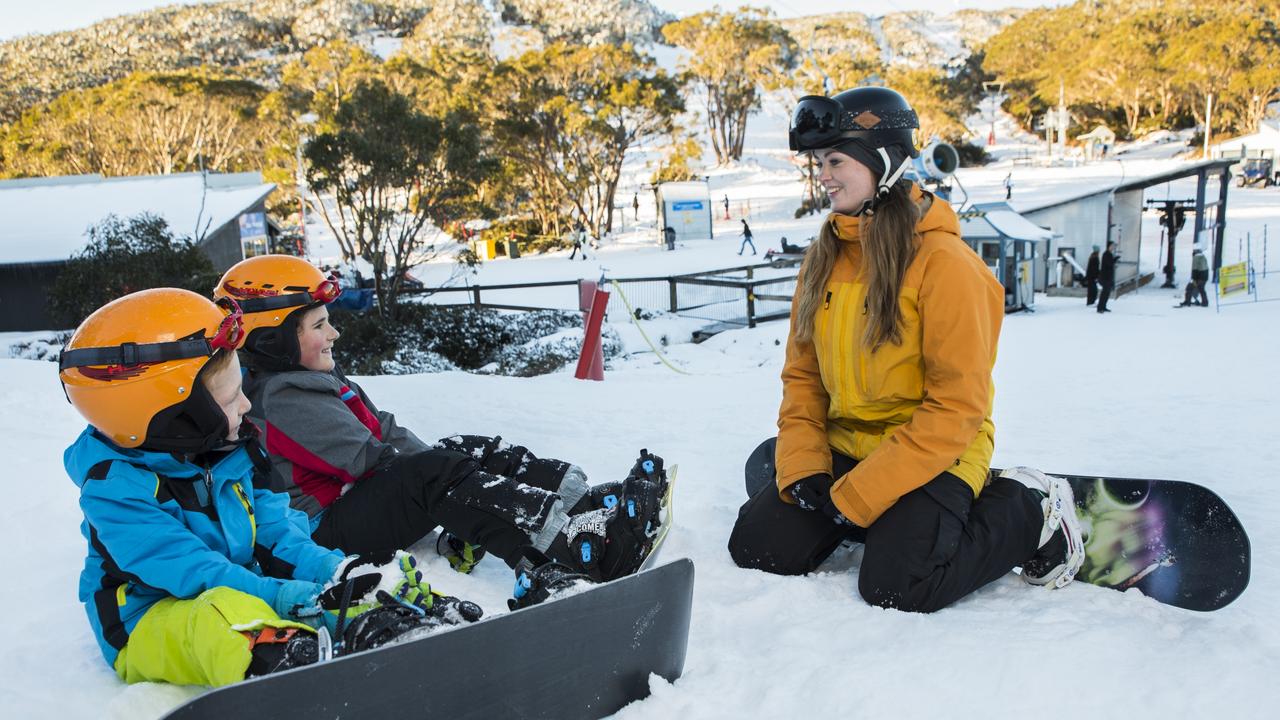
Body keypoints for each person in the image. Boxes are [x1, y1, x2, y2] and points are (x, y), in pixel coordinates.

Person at [727, 87, 1085, 613]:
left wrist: (856, 498)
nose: (823, 175)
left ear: (883, 163)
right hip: (850, 442)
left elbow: (956, 410)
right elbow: (803, 379)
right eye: (819, 162)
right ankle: (872, 513)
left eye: (836, 161)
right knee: (756, 548)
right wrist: (804, 466)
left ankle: (1029, 507)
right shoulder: (823, 258)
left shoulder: (947, 265)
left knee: (898, 587)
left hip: (934, 451)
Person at [59, 289, 474, 688]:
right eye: (230, 398)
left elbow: (278, 533)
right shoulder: (114, 492)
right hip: (150, 621)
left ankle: (412, 631)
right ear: (175, 418)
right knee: (225, 616)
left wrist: (336, 574)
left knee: (345, 591)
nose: (245, 405)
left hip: (243, 589)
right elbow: (201, 576)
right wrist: (307, 599)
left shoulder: (230, 454)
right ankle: (298, 667)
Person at [213, 255, 666, 603]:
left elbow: (385, 431)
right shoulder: (283, 399)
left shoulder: (313, 376)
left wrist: (461, 476)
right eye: (319, 325)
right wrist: (455, 489)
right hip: (322, 530)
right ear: (271, 340)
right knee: (437, 470)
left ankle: (582, 505)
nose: (333, 334)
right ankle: (566, 548)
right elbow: (372, 459)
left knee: (456, 452)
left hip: (358, 504)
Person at [1097, 240, 1117, 313]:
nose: (1113, 247)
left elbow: (1110, 263)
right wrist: (1114, 260)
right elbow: (1109, 264)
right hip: (1104, 277)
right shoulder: (1106, 254)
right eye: (1112, 246)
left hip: (1108, 277)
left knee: (1107, 292)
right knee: (1104, 292)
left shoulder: (1110, 254)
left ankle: (1104, 306)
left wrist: (1114, 259)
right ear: (1109, 246)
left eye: (1113, 246)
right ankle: (1100, 308)